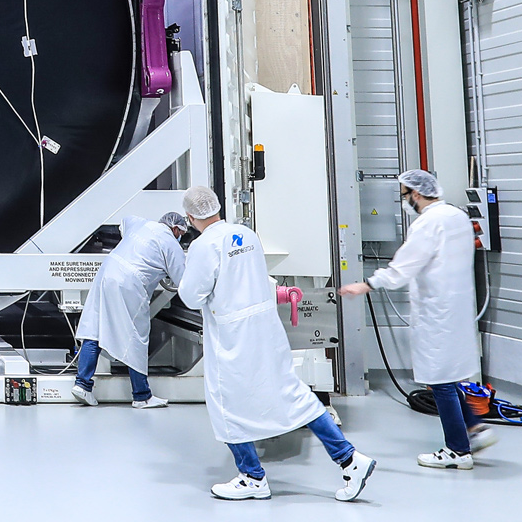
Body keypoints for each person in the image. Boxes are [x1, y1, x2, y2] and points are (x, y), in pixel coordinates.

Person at [177, 185, 376, 501]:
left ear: (190, 217)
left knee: (227, 404)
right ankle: (350, 459)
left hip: (234, 337)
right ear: (217, 206)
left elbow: (190, 296)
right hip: (266, 330)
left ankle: (252, 477)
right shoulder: (246, 234)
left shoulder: (204, 246)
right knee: (294, 393)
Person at [340, 168, 494, 469]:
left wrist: (368, 284)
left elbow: (404, 267)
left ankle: (458, 451)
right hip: (457, 308)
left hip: (437, 311)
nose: (406, 201)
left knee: (441, 382)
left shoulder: (428, 223)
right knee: (450, 376)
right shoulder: (457, 216)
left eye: (406, 195)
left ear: (418, 193)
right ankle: (474, 428)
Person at [72, 212, 189, 408]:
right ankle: (141, 396)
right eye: (181, 234)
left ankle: (82, 385)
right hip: (130, 283)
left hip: (108, 272)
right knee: (135, 336)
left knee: (95, 328)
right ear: (177, 229)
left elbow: (124, 220)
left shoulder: (140, 224)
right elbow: (183, 282)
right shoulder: (171, 244)